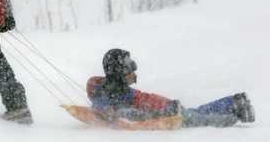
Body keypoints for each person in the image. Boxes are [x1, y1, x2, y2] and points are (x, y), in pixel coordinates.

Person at [87, 48, 255, 127]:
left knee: (195, 117)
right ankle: (235, 106)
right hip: (160, 110)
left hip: (163, 108)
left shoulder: (117, 91)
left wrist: (166, 109)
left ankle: (235, 107)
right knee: (195, 116)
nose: (134, 71)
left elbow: (141, 103)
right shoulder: (105, 92)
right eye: (130, 68)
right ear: (118, 72)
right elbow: (120, 112)